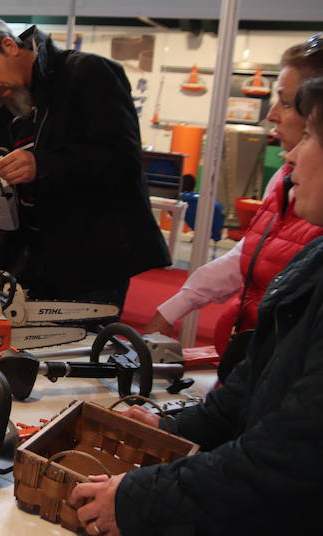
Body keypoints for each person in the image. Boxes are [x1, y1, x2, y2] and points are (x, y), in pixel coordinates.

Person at [71, 74, 323, 535]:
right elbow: (251, 391)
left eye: (308, 136)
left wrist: (136, 499)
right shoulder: (315, 257)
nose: (289, 156)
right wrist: (170, 425)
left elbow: (289, 458)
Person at [0, 16, 170, 309]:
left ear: (9, 46)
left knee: (80, 350)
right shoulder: (13, 100)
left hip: (94, 258)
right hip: (40, 258)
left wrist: (42, 164)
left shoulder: (86, 73)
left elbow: (122, 158)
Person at [143, 35, 323, 355]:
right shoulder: (282, 181)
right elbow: (247, 256)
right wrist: (175, 307)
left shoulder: (310, 203)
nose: (271, 116)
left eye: (284, 101)